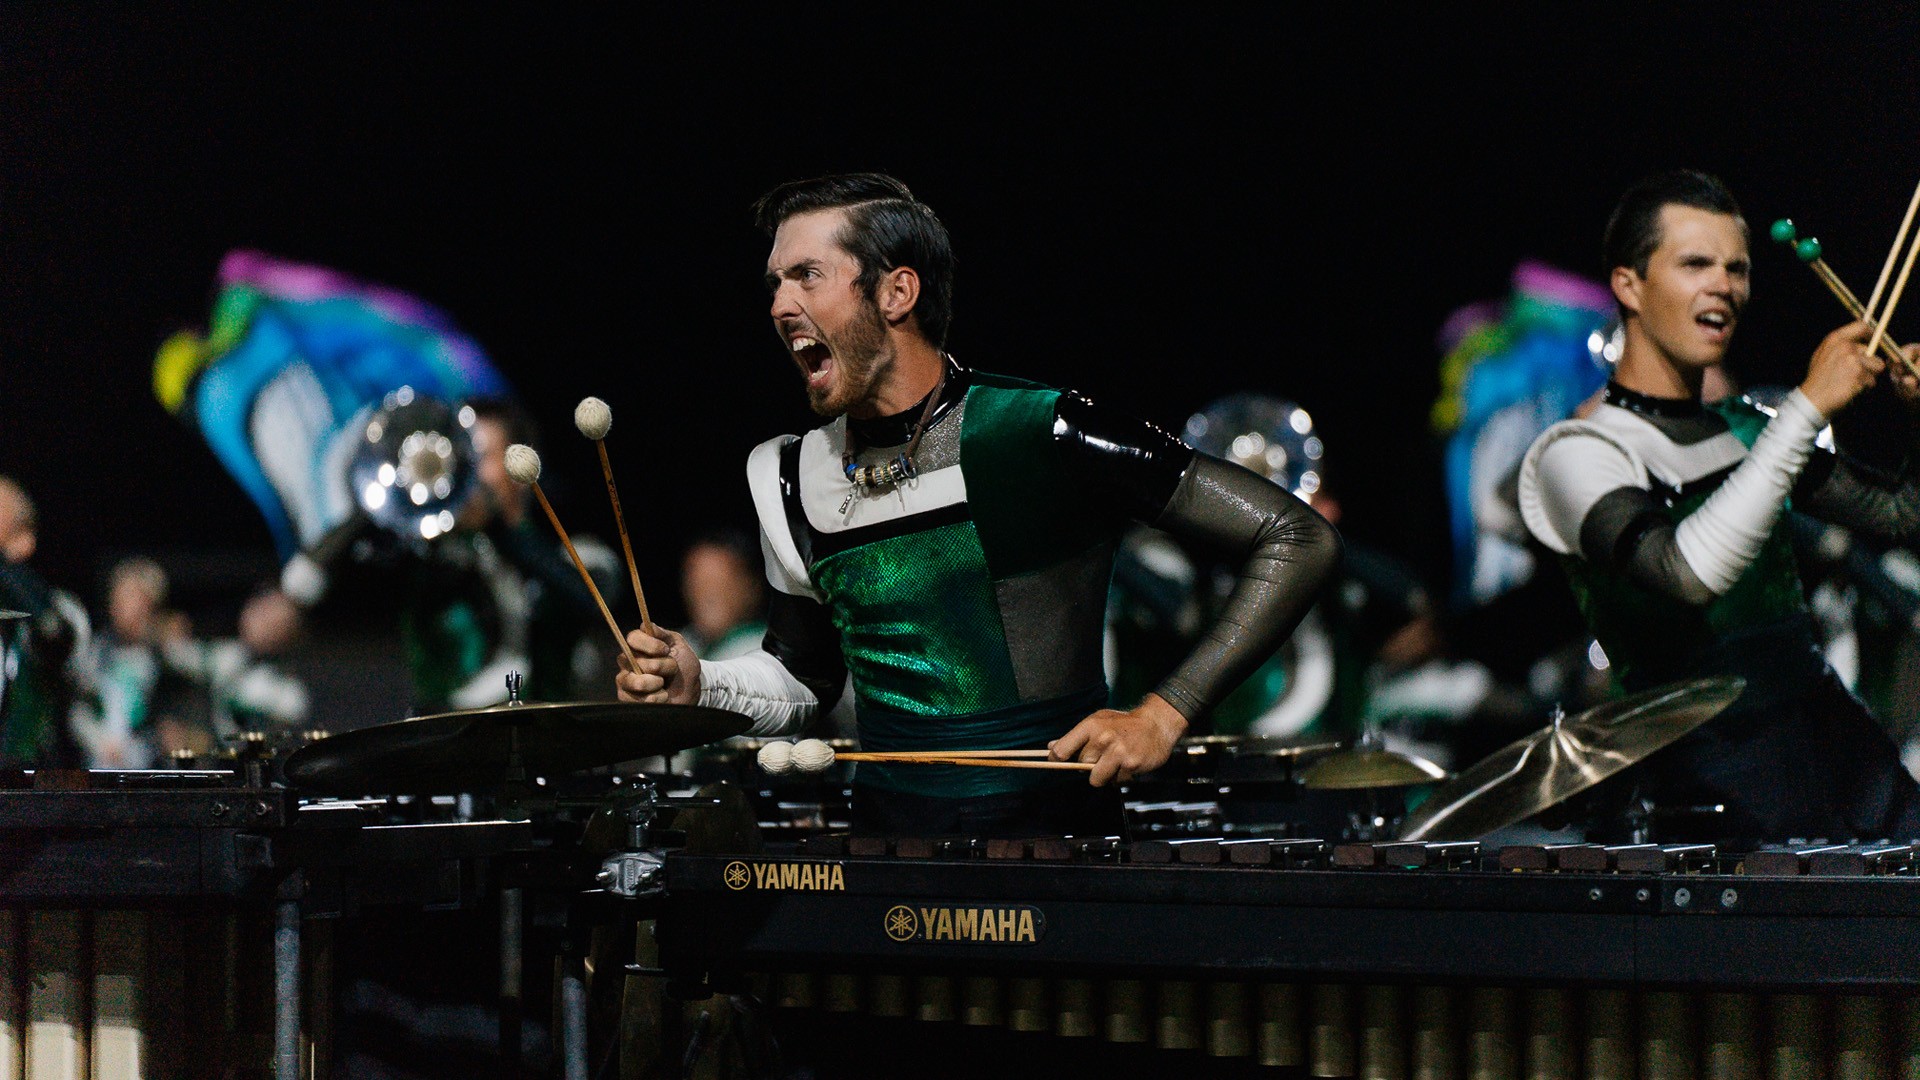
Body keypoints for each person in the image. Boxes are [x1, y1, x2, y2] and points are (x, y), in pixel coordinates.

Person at [615, 173, 1340, 836]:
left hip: (1059, 853)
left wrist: (1165, 711)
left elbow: (1297, 536)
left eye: (807, 275)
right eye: (775, 282)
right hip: (888, 858)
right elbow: (805, 676)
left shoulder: (1043, 430)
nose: (779, 305)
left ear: (897, 293)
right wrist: (702, 682)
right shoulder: (787, 474)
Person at [1518, 169, 1920, 842]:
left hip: (1837, 747)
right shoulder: (1576, 453)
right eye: (1695, 264)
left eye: (1737, 269)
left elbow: (1904, 517)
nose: (1724, 286)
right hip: (1705, 786)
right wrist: (1806, 410)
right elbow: (1687, 573)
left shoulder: (1750, 429)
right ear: (1629, 286)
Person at [403, 398, 610, 710]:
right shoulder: (433, 558)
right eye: (462, 455)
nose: (467, 470)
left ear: (520, 468)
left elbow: (586, 602)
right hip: (448, 732)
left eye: (482, 456)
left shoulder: (569, 553)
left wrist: (502, 530)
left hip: (545, 731)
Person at [163, 585, 310, 741]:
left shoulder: (285, 688)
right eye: (260, 609)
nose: (260, 619)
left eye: (272, 619)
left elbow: (288, 713)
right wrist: (172, 631)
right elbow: (180, 655)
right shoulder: (230, 654)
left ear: (288, 632)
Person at [677, 529, 767, 662]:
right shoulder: (687, 642)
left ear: (752, 587)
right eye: (696, 583)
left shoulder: (765, 650)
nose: (706, 596)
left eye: (719, 582)